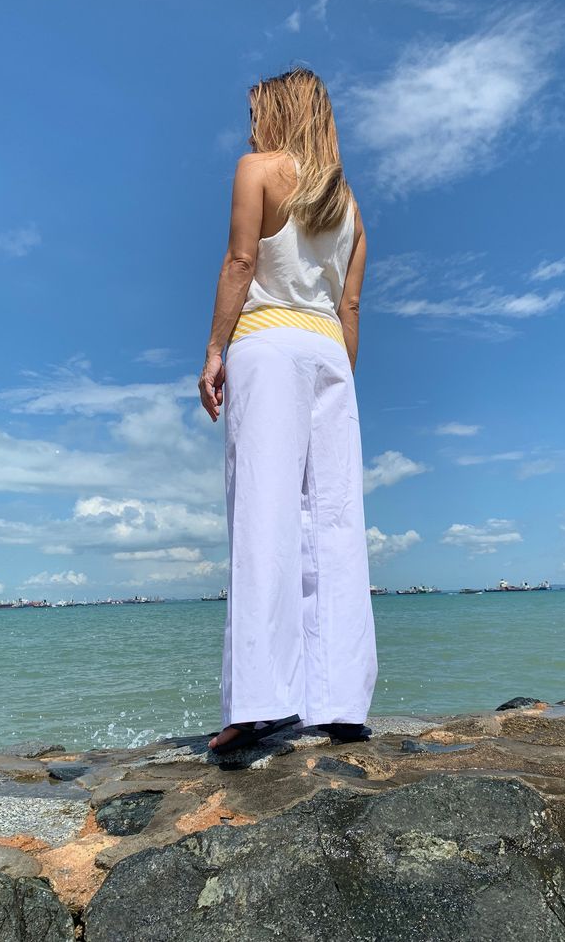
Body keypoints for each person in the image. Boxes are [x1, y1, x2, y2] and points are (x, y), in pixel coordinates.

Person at [198, 66, 378, 754]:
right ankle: (340, 704)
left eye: (255, 112)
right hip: (330, 355)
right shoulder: (350, 206)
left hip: (268, 345)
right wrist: (338, 380)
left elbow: (242, 261)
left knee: (263, 514)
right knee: (333, 521)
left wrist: (216, 348)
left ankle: (263, 702)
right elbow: (350, 306)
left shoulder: (258, 169)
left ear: (277, 111)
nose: (249, 125)